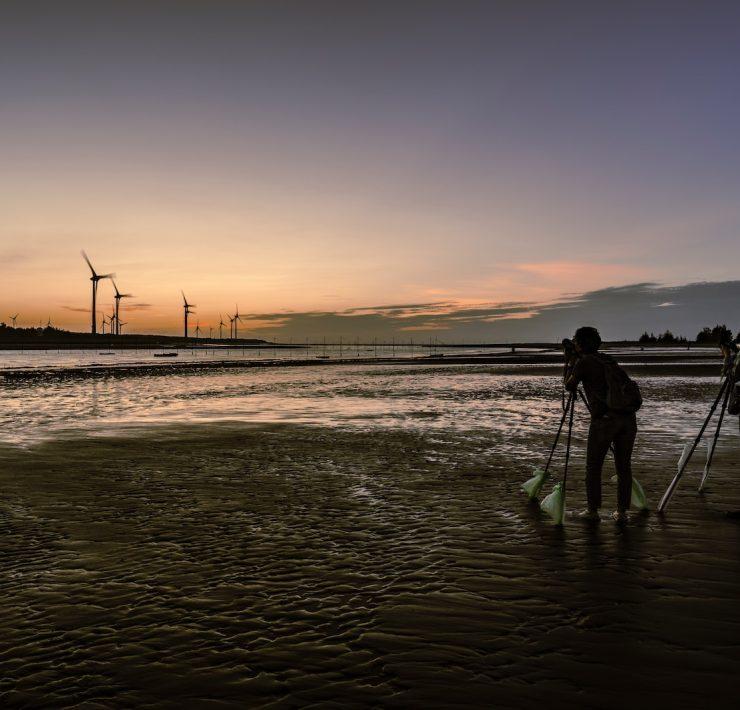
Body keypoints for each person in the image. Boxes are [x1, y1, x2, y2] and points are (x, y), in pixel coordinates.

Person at [564, 326, 638, 523]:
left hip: (604, 421)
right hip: (628, 419)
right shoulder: (607, 360)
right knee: (623, 466)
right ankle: (622, 513)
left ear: (580, 344)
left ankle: (592, 511)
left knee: (594, 465)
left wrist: (570, 361)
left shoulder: (584, 362)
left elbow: (569, 385)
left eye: (575, 341)